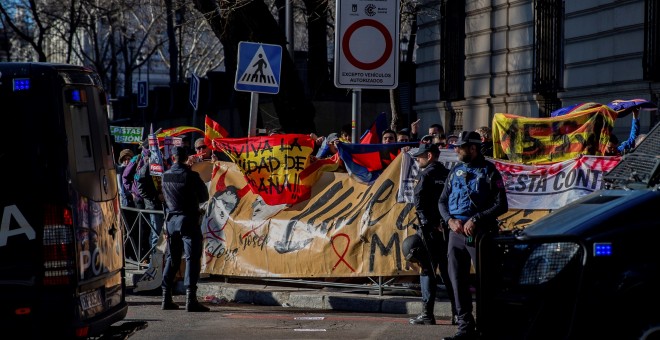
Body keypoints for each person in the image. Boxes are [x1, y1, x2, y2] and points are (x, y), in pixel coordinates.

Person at [439, 131, 508, 340]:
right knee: (457, 280)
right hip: (456, 234)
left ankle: (487, 327)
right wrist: (450, 221)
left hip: (481, 234)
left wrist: (476, 219)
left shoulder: (489, 172)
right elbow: (442, 201)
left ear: (473, 148)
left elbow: (501, 205)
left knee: (485, 282)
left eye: (461, 147)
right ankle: (465, 328)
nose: (457, 150)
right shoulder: (455, 171)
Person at [407, 143, 457, 326]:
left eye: (419, 156)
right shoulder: (448, 174)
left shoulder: (425, 174)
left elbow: (418, 202)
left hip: (430, 232)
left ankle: (427, 314)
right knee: (449, 272)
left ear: (429, 156)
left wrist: (429, 225)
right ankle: (457, 314)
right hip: (449, 229)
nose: (417, 160)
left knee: (427, 270)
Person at [161, 146, 211, 312]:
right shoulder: (191, 175)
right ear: (185, 158)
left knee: (172, 258)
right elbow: (205, 196)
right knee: (191, 258)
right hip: (188, 220)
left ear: (173, 158)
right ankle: (191, 299)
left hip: (171, 221)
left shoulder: (165, 176)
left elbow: (164, 198)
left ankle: (166, 297)